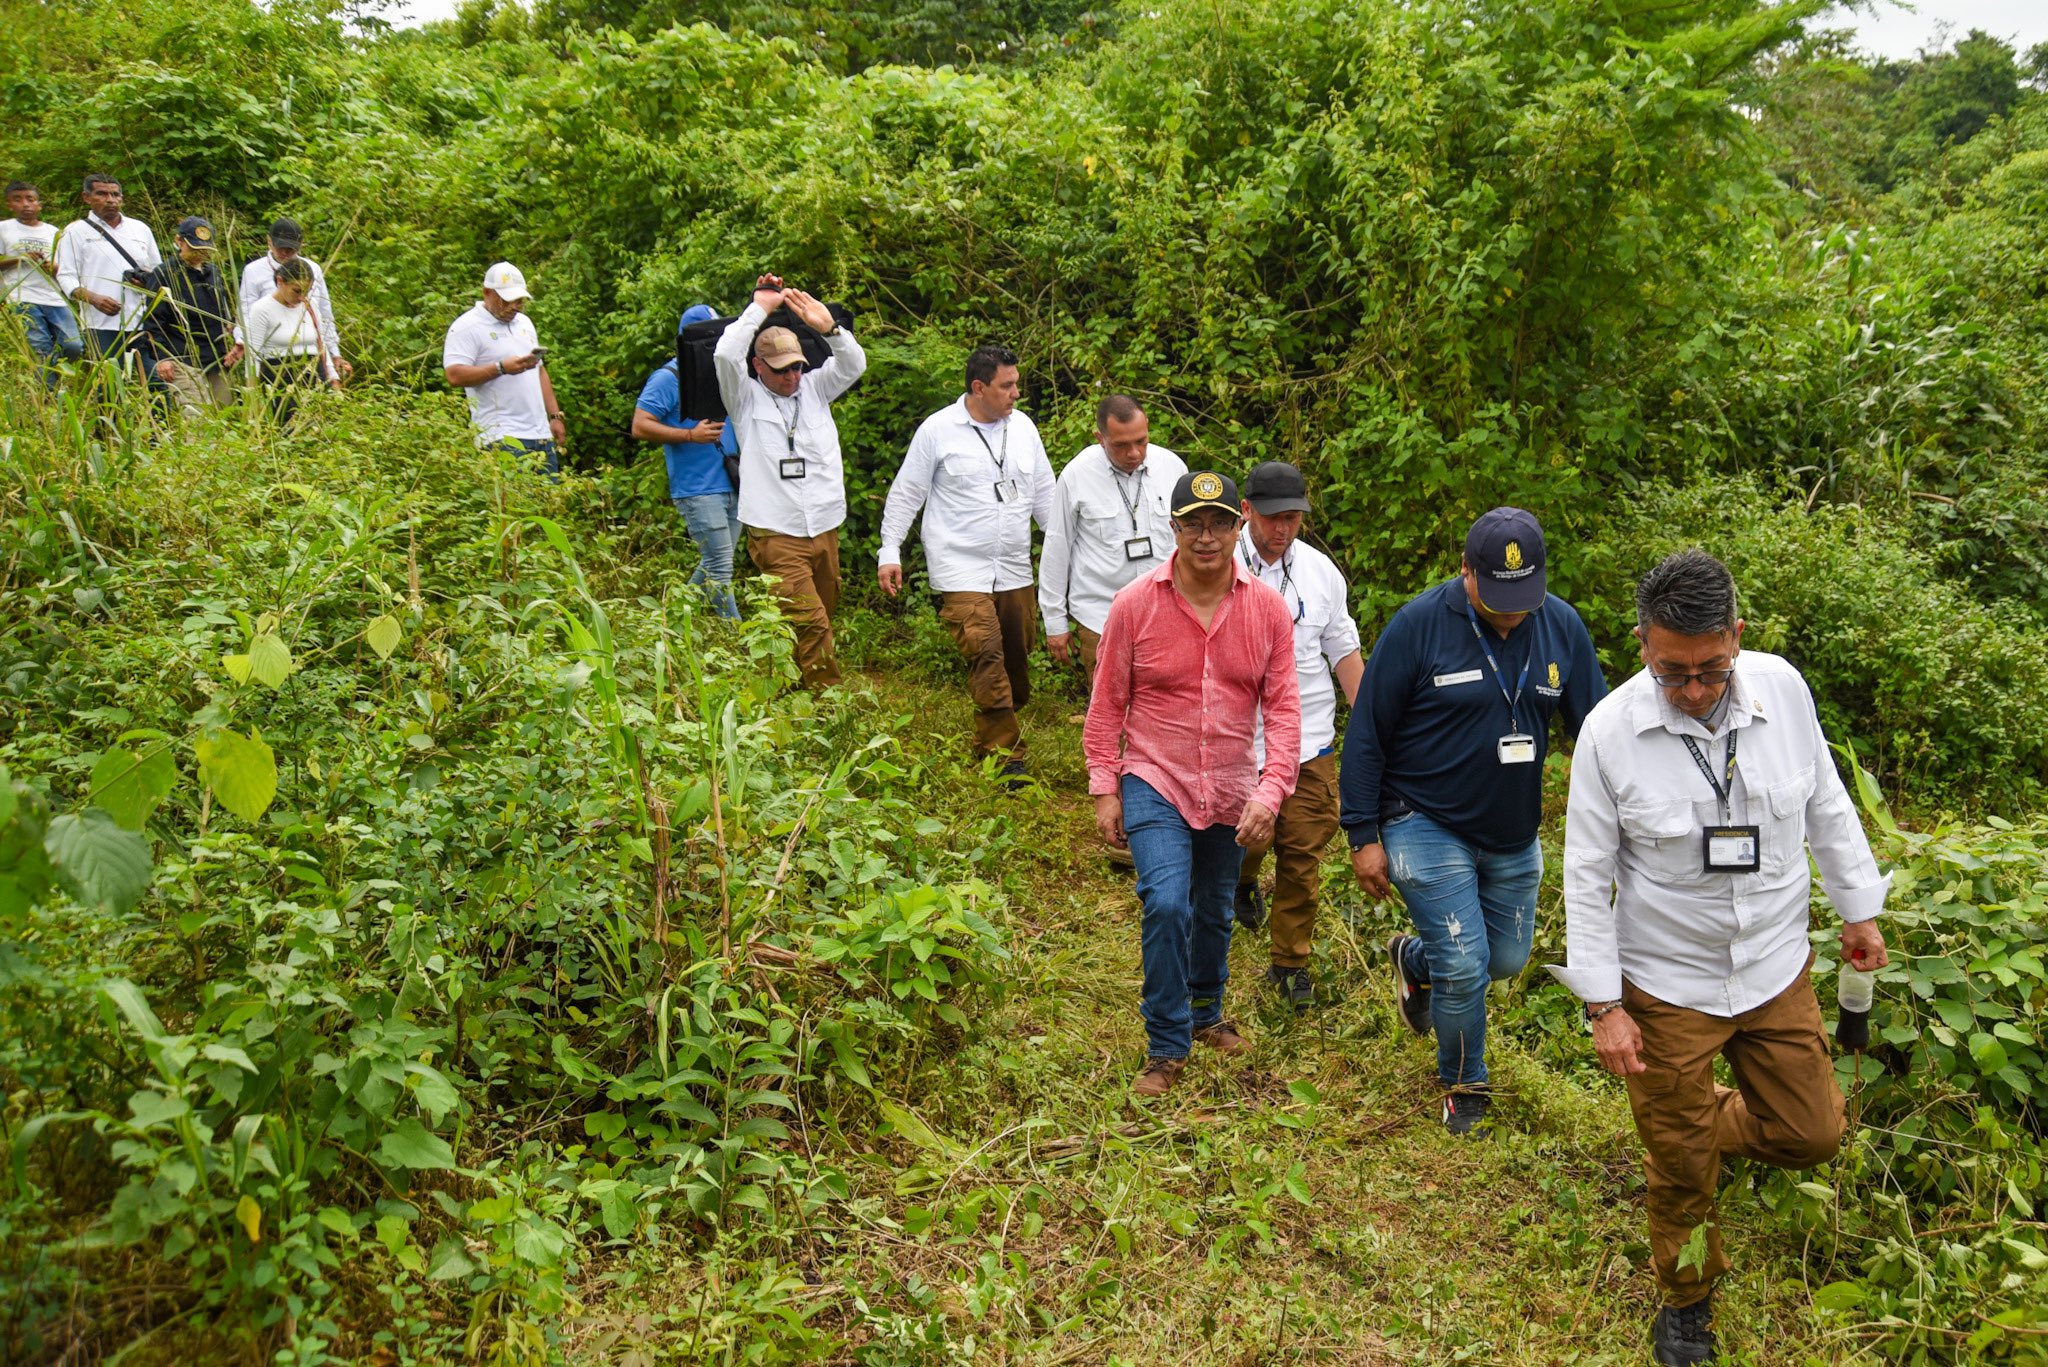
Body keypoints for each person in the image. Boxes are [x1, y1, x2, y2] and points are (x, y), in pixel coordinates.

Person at [1550, 549, 1890, 1367]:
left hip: (1774, 964)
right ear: (1642, 645)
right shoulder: (1609, 734)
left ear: (1736, 637)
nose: (1695, 689)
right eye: (1674, 672)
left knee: (1813, 1131)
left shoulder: (1786, 692)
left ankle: (1706, 1124)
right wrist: (1605, 1005)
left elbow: (1827, 803)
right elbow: (1585, 872)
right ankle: (1688, 1297)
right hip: (1667, 980)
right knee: (1678, 1166)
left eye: (1711, 668)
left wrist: (1859, 909)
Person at [1339, 507, 1607, 1134]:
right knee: (1466, 964)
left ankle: (1416, 962)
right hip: (1421, 818)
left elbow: (1596, 728)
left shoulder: (1560, 626)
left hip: (1511, 829)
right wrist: (1362, 834)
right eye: (1498, 595)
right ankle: (1465, 1081)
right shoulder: (1420, 625)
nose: (1513, 610)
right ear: (1465, 572)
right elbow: (1368, 732)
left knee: (1506, 959)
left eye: (1524, 596)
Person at [1084, 471, 1301, 1097]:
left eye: (1218, 524)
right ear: (1173, 529)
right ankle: (1166, 1041)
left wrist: (1271, 790)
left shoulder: (1266, 610)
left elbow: (1284, 712)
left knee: (1213, 904)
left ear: (1239, 526)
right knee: (1167, 901)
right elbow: (1107, 707)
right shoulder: (1134, 606)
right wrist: (1105, 788)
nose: (1206, 537)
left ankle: (1207, 1009)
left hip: (1232, 781)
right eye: (1192, 524)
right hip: (1155, 775)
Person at [878, 345, 1055, 778]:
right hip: (959, 565)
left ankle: (994, 722)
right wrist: (889, 550)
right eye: (1007, 385)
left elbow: (1047, 494)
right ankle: (1006, 756)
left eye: (1017, 383)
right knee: (985, 650)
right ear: (979, 387)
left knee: (1017, 653)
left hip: (1013, 564)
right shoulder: (938, 430)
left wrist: (1064, 550)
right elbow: (907, 493)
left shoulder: (1024, 428)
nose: (1017, 393)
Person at [1232, 461, 1363, 1009]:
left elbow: (1344, 652)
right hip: (1238, 742)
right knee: (1245, 840)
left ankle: (1290, 962)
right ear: (1246, 512)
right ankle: (1239, 883)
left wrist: (1375, 724)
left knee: (1303, 850)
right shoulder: (1215, 567)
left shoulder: (1320, 573)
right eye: (1270, 518)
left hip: (1309, 738)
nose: (1281, 529)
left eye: (1292, 518)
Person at [712, 274, 867, 686]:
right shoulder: (743, 397)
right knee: (812, 622)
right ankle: (829, 709)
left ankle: (787, 687)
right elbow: (726, 355)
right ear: (758, 366)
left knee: (817, 617)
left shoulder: (816, 389)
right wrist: (760, 307)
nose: (792, 376)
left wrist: (829, 329)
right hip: (776, 532)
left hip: (824, 525)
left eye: (797, 366)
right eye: (781, 369)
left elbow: (854, 364)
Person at [1038, 395, 1185, 682]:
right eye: (1121, 445)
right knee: (1109, 712)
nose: (1134, 453)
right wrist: (1055, 621)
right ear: (1099, 438)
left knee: (1163, 706)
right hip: (1100, 613)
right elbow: (1057, 547)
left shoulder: (1172, 468)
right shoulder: (1077, 475)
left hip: (1166, 612)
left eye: (1141, 441)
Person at [636, 304, 740, 619]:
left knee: (714, 564)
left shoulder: (721, 372)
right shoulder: (669, 377)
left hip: (731, 480)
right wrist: (690, 436)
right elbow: (640, 425)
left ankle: (671, 621)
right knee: (721, 565)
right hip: (697, 488)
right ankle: (740, 640)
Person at [442, 263, 565, 472]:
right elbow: (454, 375)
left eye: (519, 300)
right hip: (500, 436)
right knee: (512, 502)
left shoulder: (524, 323)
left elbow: (540, 371)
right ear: (487, 293)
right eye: (507, 300)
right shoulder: (466, 326)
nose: (514, 306)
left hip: (540, 434)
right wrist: (501, 368)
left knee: (548, 501)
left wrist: (555, 417)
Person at [52, 173, 160, 371]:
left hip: (142, 321)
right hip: (100, 324)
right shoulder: (75, 232)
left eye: (115, 195)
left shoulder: (140, 229)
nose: (111, 200)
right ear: (87, 197)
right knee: (109, 386)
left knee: (156, 382)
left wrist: (147, 283)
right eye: (102, 194)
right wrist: (93, 298)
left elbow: (158, 271)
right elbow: (66, 276)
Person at [143, 216, 243, 417]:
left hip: (217, 358)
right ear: (179, 241)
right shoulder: (164, 273)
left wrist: (233, 338)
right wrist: (162, 358)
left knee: (227, 415)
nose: (200, 254)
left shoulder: (214, 272)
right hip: (182, 357)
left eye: (204, 249)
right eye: (194, 248)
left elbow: (225, 313)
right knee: (196, 421)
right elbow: (154, 321)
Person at [237, 218, 349, 383]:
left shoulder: (313, 270)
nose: (285, 253)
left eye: (291, 249)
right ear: (269, 242)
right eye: (281, 248)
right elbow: (246, 312)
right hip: (275, 357)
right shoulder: (253, 271)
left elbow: (324, 314)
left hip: (311, 356)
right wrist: (242, 341)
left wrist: (335, 353)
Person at [1, 180, 82, 383]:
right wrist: (21, 259)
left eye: (30, 199)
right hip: (21, 297)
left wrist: (54, 268)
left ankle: (52, 379)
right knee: (40, 347)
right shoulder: (3, 229)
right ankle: (48, 397)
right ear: (9, 204)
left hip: (55, 297)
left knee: (74, 346)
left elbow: (65, 266)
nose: (25, 204)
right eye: (17, 199)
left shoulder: (53, 231)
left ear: (39, 204)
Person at [244, 259, 341, 424]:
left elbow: (320, 344)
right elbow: (252, 356)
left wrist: (333, 377)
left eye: (307, 291)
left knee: (323, 425)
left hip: (314, 374)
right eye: (297, 291)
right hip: (280, 378)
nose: (302, 297)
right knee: (290, 428)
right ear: (280, 281)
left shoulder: (310, 305)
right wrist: (253, 398)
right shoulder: (261, 309)